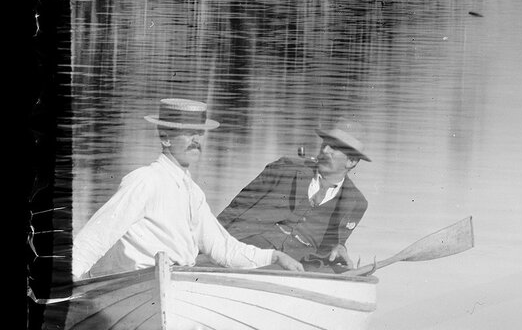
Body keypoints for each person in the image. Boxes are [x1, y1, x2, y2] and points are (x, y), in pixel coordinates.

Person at [72, 98, 304, 281]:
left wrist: (273, 256)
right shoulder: (145, 180)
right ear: (165, 138)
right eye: (188, 132)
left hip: (175, 283)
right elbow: (97, 236)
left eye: (200, 132)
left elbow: (223, 249)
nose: (197, 139)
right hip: (133, 283)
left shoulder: (193, 193)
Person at [218, 120, 372, 270]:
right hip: (248, 249)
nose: (325, 151)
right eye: (325, 144)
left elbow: (336, 242)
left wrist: (340, 248)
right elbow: (236, 209)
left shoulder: (356, 202)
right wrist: (206, 241)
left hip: (297, 267)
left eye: (334, 148)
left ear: (351, 161)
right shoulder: (284, 168)